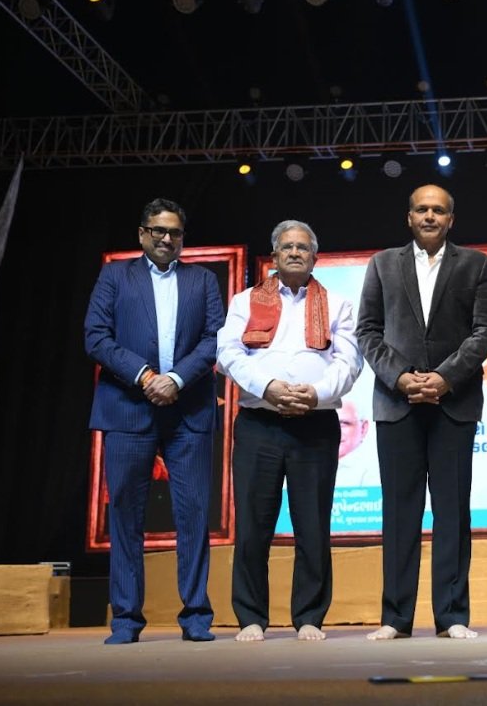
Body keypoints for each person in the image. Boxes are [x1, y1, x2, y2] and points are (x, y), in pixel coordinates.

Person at [355, 184, 487, 640]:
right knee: (400, 513)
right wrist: (401, 377)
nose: (430, 216)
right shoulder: (382, 263)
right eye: (422, 209)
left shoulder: (475, 263)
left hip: (453, 404)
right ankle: (395, 618)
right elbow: (368, 331)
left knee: (453, 513)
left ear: (451, 219)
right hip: (396, 404)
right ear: (409, 217)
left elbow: (486, 330)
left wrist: (444, 377)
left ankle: (452, 616)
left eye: (439, 210)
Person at [84, 197, 224, 644]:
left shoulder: (202, 280)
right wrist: (145, 375)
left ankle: (197, 617)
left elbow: (215, 339)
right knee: (125, 514)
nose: (167, 239)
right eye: (158, 231)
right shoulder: (114, 276)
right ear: (142, 234)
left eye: (175, 232)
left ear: (184, 237)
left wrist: (177, 379)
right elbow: (95, 337)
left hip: (188, 411)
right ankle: (126, 620)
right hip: (127, 408)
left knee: (194, 514)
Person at [217, 220, 362, 642]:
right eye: (287, 247)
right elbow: (228, 353)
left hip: (315, 424)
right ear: (275, 256)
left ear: (315, 257)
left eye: (303, 247)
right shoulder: (246, 301)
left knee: (313, 525)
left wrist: (313, 395)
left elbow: (349, 363)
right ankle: (250, 617)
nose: (295, 252)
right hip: (260, 422)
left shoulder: (337, 304)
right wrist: (269, 388)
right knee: (252, 525)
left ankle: (310, 616)